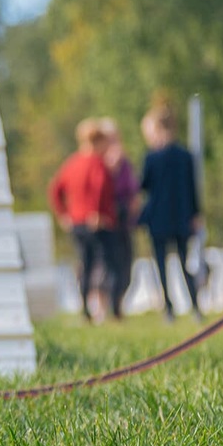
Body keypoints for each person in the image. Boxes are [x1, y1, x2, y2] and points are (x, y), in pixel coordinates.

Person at [137, 97, 204, 323]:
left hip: (158, 219)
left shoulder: (151, 157)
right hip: (181, 217)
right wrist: (196, 213)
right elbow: (193, 188)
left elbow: (143, 185)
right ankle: (195, 307)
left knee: (162, 266)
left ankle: (169, 310)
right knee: (185, 263)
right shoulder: (185, 155)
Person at [49, 119, 120, 322]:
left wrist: (63, 214)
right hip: (98, 223)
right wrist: (97, 212)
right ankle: (113, 309)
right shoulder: (98, 163)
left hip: (77, 223)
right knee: (109, 264)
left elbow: (55, 189)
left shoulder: (71, 163)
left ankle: (85, 311)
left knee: (85, 265)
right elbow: (99, 187)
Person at [97, 118, 138, 318]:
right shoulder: (97, 163)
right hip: (105, 221)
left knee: (125, 266)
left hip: (123, 221)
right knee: (105, 267)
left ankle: (118, 306)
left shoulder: (125, 163)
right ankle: (104, 309)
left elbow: (133, 190)